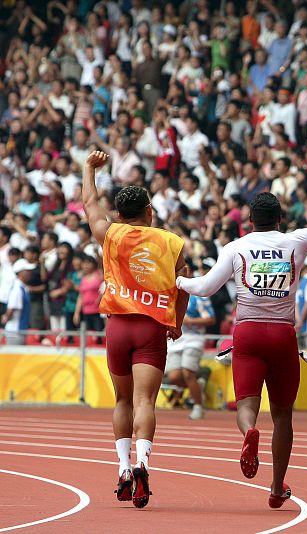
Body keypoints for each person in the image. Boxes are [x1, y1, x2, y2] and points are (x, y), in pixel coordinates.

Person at [176, 192, 307, 509]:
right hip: (283, 333)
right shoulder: (296, 241)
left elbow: (204, 288)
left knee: (246, 404)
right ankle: (275, 486)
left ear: (249, 221)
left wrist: (179, 282)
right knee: (283, 415)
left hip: (248, 333)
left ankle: (250, 430)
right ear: (280, 218)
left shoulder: (236, 247)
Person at [82, 150, 189, 509]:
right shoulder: (171, 242)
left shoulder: (109, 234)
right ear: (149, 211)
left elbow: (89, 204)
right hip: (150, 328)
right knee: (145, 401)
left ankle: (123, 468)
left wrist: (89, 169)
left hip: (117, 327)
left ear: (119, 214)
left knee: (122, 400)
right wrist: (177, 321)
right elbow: (183, 284)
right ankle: (143, 463)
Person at [165, 290, 215, 420]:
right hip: (174, 340)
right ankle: (197, 388)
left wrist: (190, 321)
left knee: (188, 373)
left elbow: (211, 318)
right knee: (174, 377)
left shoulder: (198, 296)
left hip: (193, 338)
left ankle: (198, 407)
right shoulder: (168, 293)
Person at [2, 259, 35, 345]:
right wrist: (4, 321)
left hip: (20, 330)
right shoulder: (17, 290)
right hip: (15, 332)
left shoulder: (23, 288)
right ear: (20, 273)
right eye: (27, 271)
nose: (30, 273)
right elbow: (11, 310)